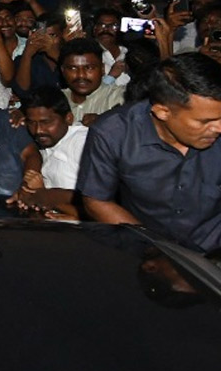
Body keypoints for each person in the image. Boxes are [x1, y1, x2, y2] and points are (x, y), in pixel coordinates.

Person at [80, 53, 221, 250]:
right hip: (147, 252)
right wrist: (155, 250)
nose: (219, 128)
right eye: (205, 122)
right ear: (163, 112)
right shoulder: (113, 133)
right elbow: (97, 201)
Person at [17, 86, 87, 215]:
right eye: (32, 123)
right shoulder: (44, 144)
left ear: (69, 118)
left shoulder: (82, 143)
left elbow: (100, 204)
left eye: (46, 122)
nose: (38, 130)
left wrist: (43, 194)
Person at [59, 38, 125, 125]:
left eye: (89, 68)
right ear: (62, 70)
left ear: (102, 69)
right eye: (73, 68)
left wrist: (104, 122)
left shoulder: (119, 97)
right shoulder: (55, 101)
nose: (81, 75)